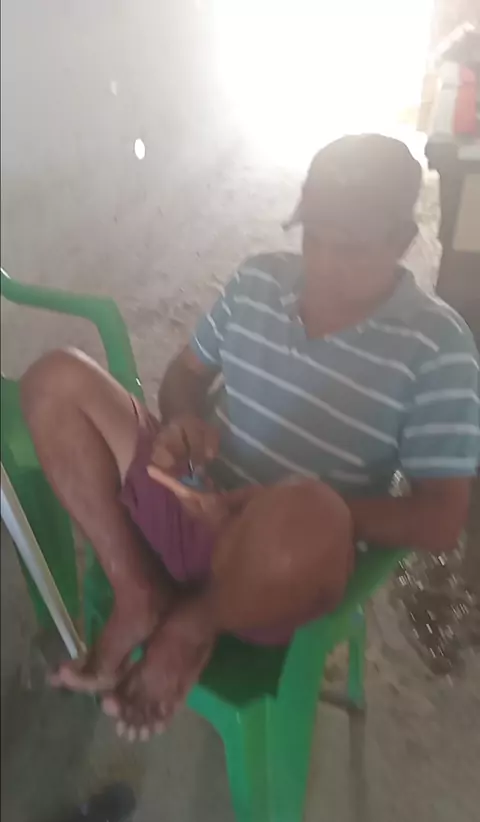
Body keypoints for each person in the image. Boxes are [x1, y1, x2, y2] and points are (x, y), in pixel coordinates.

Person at [21, 134, 480, 740]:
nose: (323, 266)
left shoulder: (439, 347)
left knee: (311, 507)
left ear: (402, 241)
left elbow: (441, 519)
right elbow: (184, 377)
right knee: (56, 378)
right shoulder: (258, 281)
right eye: (313, 238)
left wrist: (279, 507)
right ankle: (137, 590)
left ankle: (193, 626)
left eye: (350, 248)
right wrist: (185, 423)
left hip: (276, 572)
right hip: (195, 499)